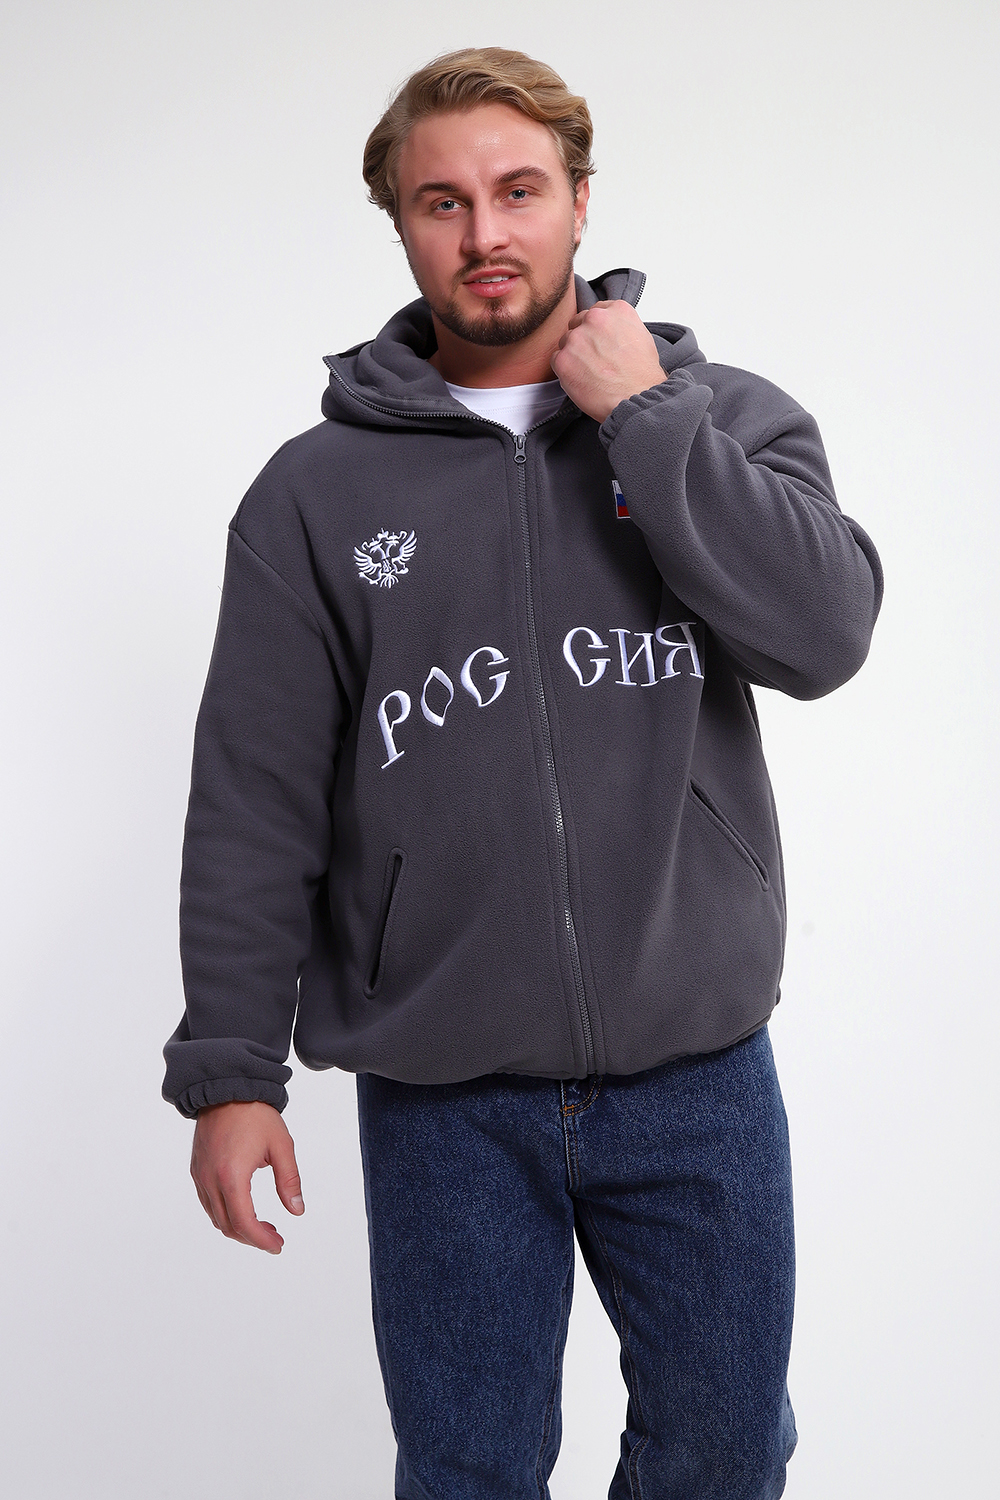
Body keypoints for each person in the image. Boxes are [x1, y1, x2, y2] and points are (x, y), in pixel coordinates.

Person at [163, 46, 882, 1500]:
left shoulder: (719, 417)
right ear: (401, 221)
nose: (485, 233)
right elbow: (254, 798)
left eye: (519, 191)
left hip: (697, 1065)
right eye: (443, 201)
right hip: (444, 1089)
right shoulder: (314, 495)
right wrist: (233, 1073)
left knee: (725, 1450)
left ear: (580, 200)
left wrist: (648, 421)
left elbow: (825, 636)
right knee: (469, 1469)